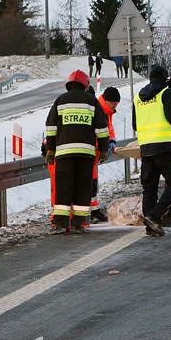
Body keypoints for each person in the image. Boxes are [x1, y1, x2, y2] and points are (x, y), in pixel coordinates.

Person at [45, 70, 110, 234]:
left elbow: (51, 127)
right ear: (85, 84)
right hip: (86, 154)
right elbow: (102, 128)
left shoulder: (60, 101)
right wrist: (103, 149)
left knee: (63, 187)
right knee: (83, 187)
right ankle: (79, 223)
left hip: (64, 154)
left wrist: (51, 149)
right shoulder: (92, 101)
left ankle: (60, 223)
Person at [132, 65, 171, 236]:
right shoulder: (166, 92)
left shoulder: (138, 97)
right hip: (164, 145)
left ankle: (150, 226)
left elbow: (134, 124)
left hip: (146, 147)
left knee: (150, 188)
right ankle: (155, 216)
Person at [89, 86, 121, 224]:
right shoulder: (98, 110)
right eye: (113, 103)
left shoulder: (107, 111)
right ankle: (89, 212)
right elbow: (96, 132)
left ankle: (94, 211)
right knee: (90, 183)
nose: (115, 107)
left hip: (96, 152)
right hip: (91, 151)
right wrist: (102, 147)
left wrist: (112, 141)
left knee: (93, 183)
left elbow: (109, 129)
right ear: (106, 101)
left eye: (116, 104)